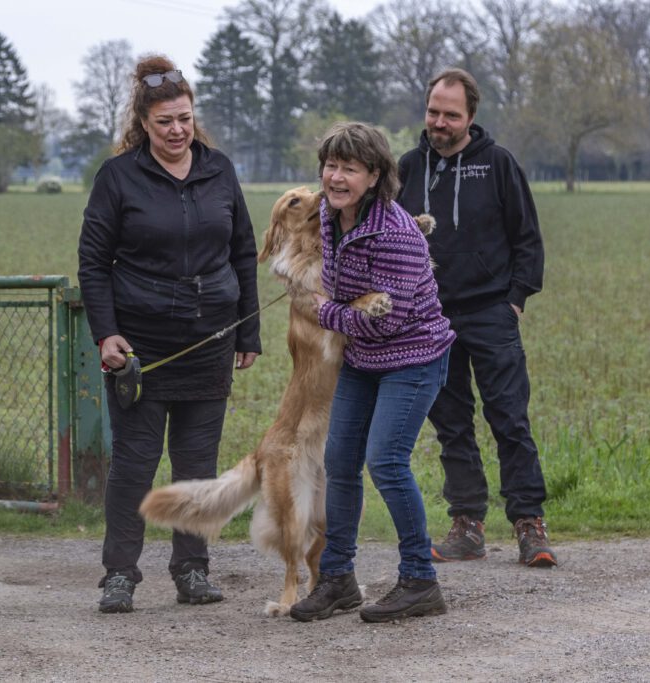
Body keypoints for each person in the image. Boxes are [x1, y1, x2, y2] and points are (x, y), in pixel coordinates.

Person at [78, 55, 262, 613]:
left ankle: (192, 569)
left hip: (210, 341)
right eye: (164, 122)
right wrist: (106, 334)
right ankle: (119, 575)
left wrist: (248, 330)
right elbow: (93, 262)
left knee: (197, 465)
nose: (177, 130)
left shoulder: (219, 169)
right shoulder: (118, 177)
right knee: (134, 464)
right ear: (144, 123)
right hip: (142, 347)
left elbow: (243, 251)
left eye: (184, 118)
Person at [288, 122, 456, 623]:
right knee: (340, 462)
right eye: (330, 166)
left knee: (386, 461)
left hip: (413, 357)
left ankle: (420, 581)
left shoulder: (396, 233)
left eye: (350, 168)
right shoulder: (329, 215)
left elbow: (385, 322)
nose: (336, 177)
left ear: (375, 175)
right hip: (363, 358)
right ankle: (337, 580)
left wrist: (323, 311)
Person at [397, 68, 557, 568]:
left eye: (451, 114)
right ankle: (467, 525)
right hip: (430, 318)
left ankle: (529, 524)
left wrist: (515, 299)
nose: (439, 123)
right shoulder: (408, 168)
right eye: (433, 112)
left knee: (509, 419)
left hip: (491, 312)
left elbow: (527, 237)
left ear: (470, 116)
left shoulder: (497, 163)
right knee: (451, 425)